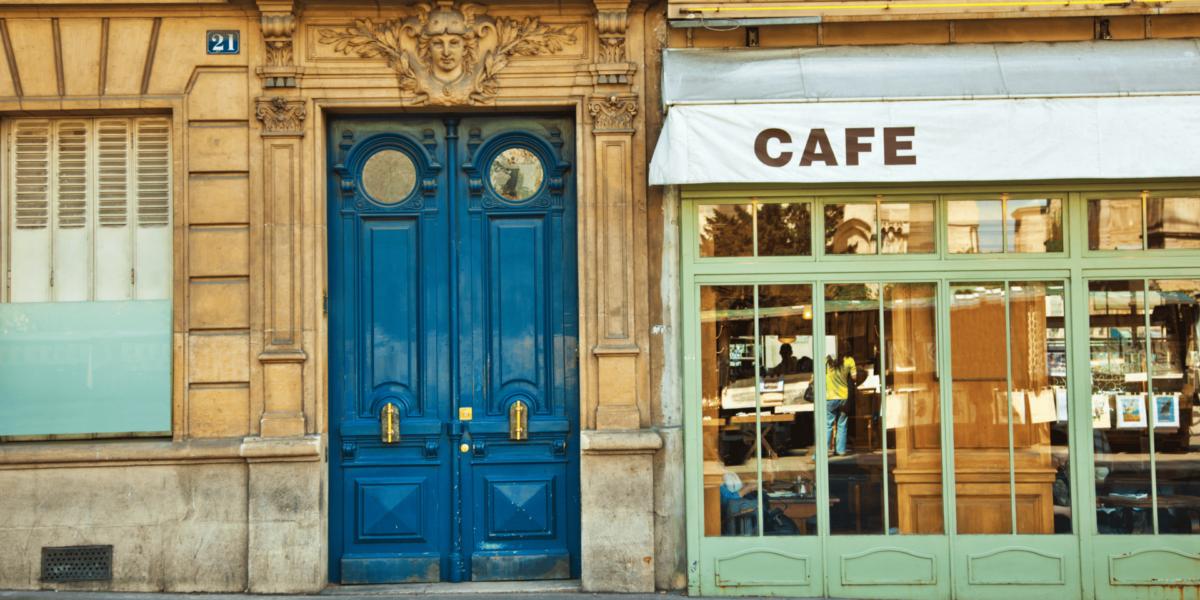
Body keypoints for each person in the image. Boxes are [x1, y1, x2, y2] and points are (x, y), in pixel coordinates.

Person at [825, 353, 856, 456]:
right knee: (842, 424)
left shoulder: (827, 361)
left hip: (830, 398)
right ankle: (841, 451)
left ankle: (823, 453)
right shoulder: (849, 360)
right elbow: (855, 377)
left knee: (827, 425)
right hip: (844, 397)